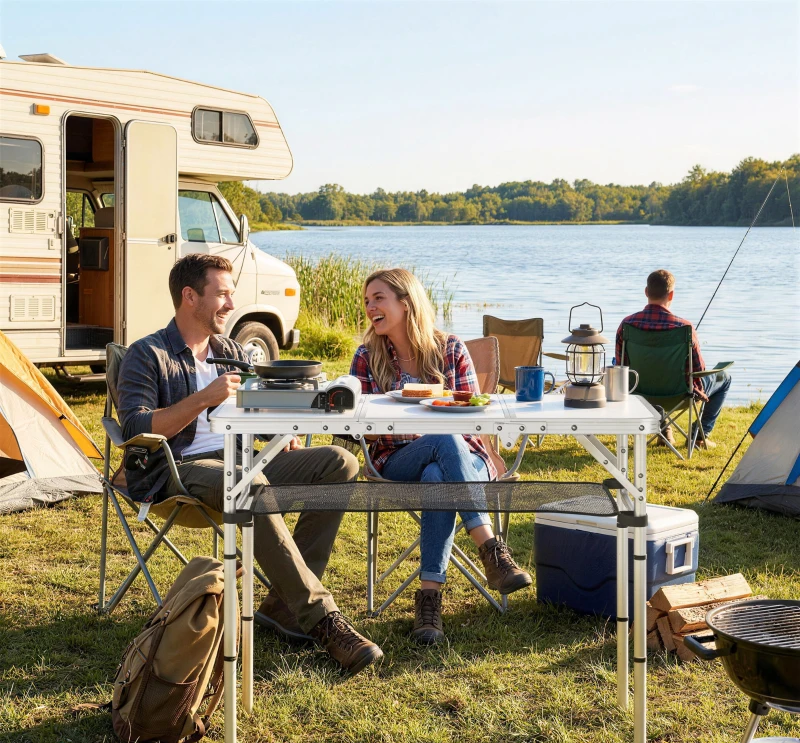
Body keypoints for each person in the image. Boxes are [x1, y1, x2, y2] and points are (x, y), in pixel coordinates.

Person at [117, 253, 382, 676]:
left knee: (340, 462)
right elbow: (135, 426)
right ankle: (322, 620)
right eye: (222, 294)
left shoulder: (232, 350)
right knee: (247, 483)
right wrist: (204, 398)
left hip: (240, 460)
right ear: (190, 296)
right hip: (176, 468)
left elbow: (254, 408)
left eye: (231, 294)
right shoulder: (147, 354)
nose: (230, 303)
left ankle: (282, 606)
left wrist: (282, 428)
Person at [350, 268, 532, 645]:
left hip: (467, 456)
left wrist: (430, 420)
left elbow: (473, 419)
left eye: (378, 298)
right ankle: (489, 548)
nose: (370, 307)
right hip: (397, 461)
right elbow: (364, 429)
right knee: (442, 440)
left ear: (406, 302)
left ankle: (429, 600)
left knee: (440, 470)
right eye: (367, 301)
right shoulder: (367, 357)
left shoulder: (449, 348)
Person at [615, 269, 731, 448]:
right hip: (680, 395)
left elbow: (622, 366)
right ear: (672, 295)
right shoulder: (684, 327)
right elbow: (698, 370)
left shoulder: (627, 325)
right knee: (724, 379)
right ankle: (699, 436)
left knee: (634, 370)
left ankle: (664, 431)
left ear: (646, 292)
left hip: (639, 394)